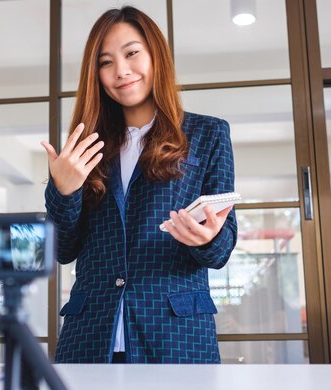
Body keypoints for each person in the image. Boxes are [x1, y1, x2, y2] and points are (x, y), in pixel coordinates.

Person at [41, 6, 237, 364]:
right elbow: (63, 249)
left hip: (176, 336)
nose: (122, 71)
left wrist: (208, 238)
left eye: (132, 53)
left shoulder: (209, 134)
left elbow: (222, 250)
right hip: (90, 336)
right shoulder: (84, 146)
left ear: (155, 55)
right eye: (106, 62)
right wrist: (63, 190)